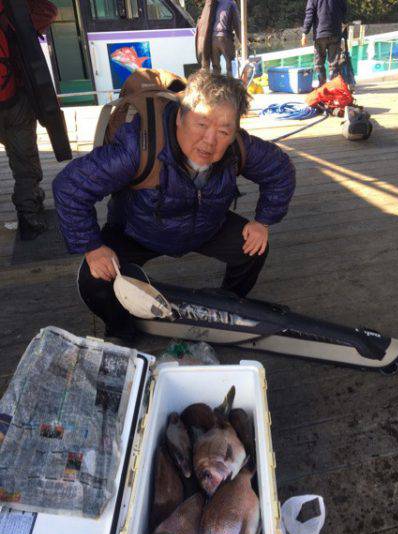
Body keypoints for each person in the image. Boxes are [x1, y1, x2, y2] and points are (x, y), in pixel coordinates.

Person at [53, 70, 296, 343]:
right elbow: (70, 187)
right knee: (94, 279)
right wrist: (92, 246)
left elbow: (280, 169)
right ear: (180, 116)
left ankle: (227, 304)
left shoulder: (238, 146)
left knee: (253, 248)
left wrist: (263, 221)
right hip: (138, 230)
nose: (210, 141)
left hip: (206, 225)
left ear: (234, 132)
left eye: (224, 130)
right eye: (201, 124)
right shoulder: (138, 145)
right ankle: (121, 328)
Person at [0, 0, 58, 240]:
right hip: (13, 99)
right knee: (24, 161)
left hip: (10, 97)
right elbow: (49, 11)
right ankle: (29, 215)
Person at [301, 0, 347, 87]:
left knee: (319, 63)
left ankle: (323, 87)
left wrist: (304, 33)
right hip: (335, 34)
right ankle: (333, 88)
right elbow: (344, 10)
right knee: (334, 64)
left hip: (320, 35)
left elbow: (309, 14)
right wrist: (343, 22)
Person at [210, 0, 241, 77]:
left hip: (212, 37)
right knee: (231, 66)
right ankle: (231, 86)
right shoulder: (231, 3)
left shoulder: (214, 2)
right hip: (224, 37)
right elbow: (237, 24)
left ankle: (216, 87)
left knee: (215, 68)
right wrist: (243, 42)